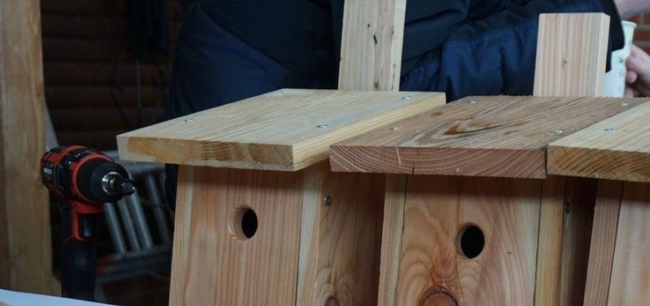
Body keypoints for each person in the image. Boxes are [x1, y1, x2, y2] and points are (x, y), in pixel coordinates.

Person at [164, 0, 650, 206]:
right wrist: (600, 8)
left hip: (310, 137)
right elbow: (401, 83)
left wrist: (595, 46)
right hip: (258, 157)